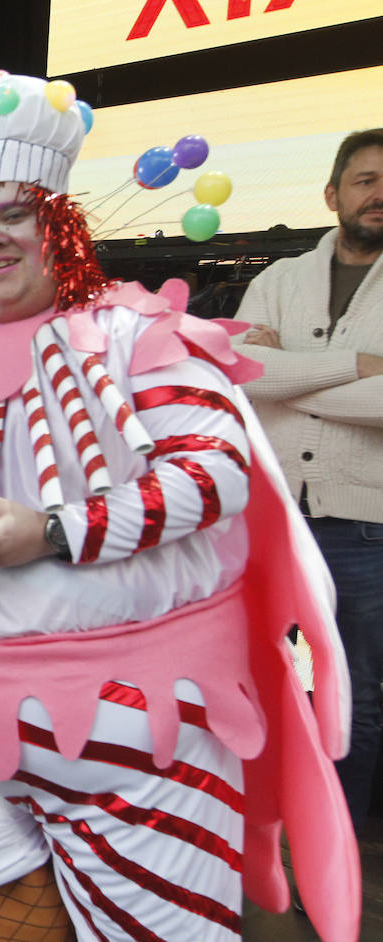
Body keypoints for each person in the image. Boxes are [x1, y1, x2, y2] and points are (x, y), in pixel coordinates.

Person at [0, 73, 356, 942]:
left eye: (13, 214)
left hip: (134, 722)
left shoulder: (141, 336)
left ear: (59, 225)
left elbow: (214, 471)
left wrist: (50, 532)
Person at [234, 127, 383, 830]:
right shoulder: (278, 279)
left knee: (352, 695)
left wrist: (283, 370)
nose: (379, 194)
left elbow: (265, 378)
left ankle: (331, 847)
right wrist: (357, 365)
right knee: (249, 679)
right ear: (333, 194)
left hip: (367, 529)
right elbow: (239, 375)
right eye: (365, 179)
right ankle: (253, 830)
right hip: (270, 520)